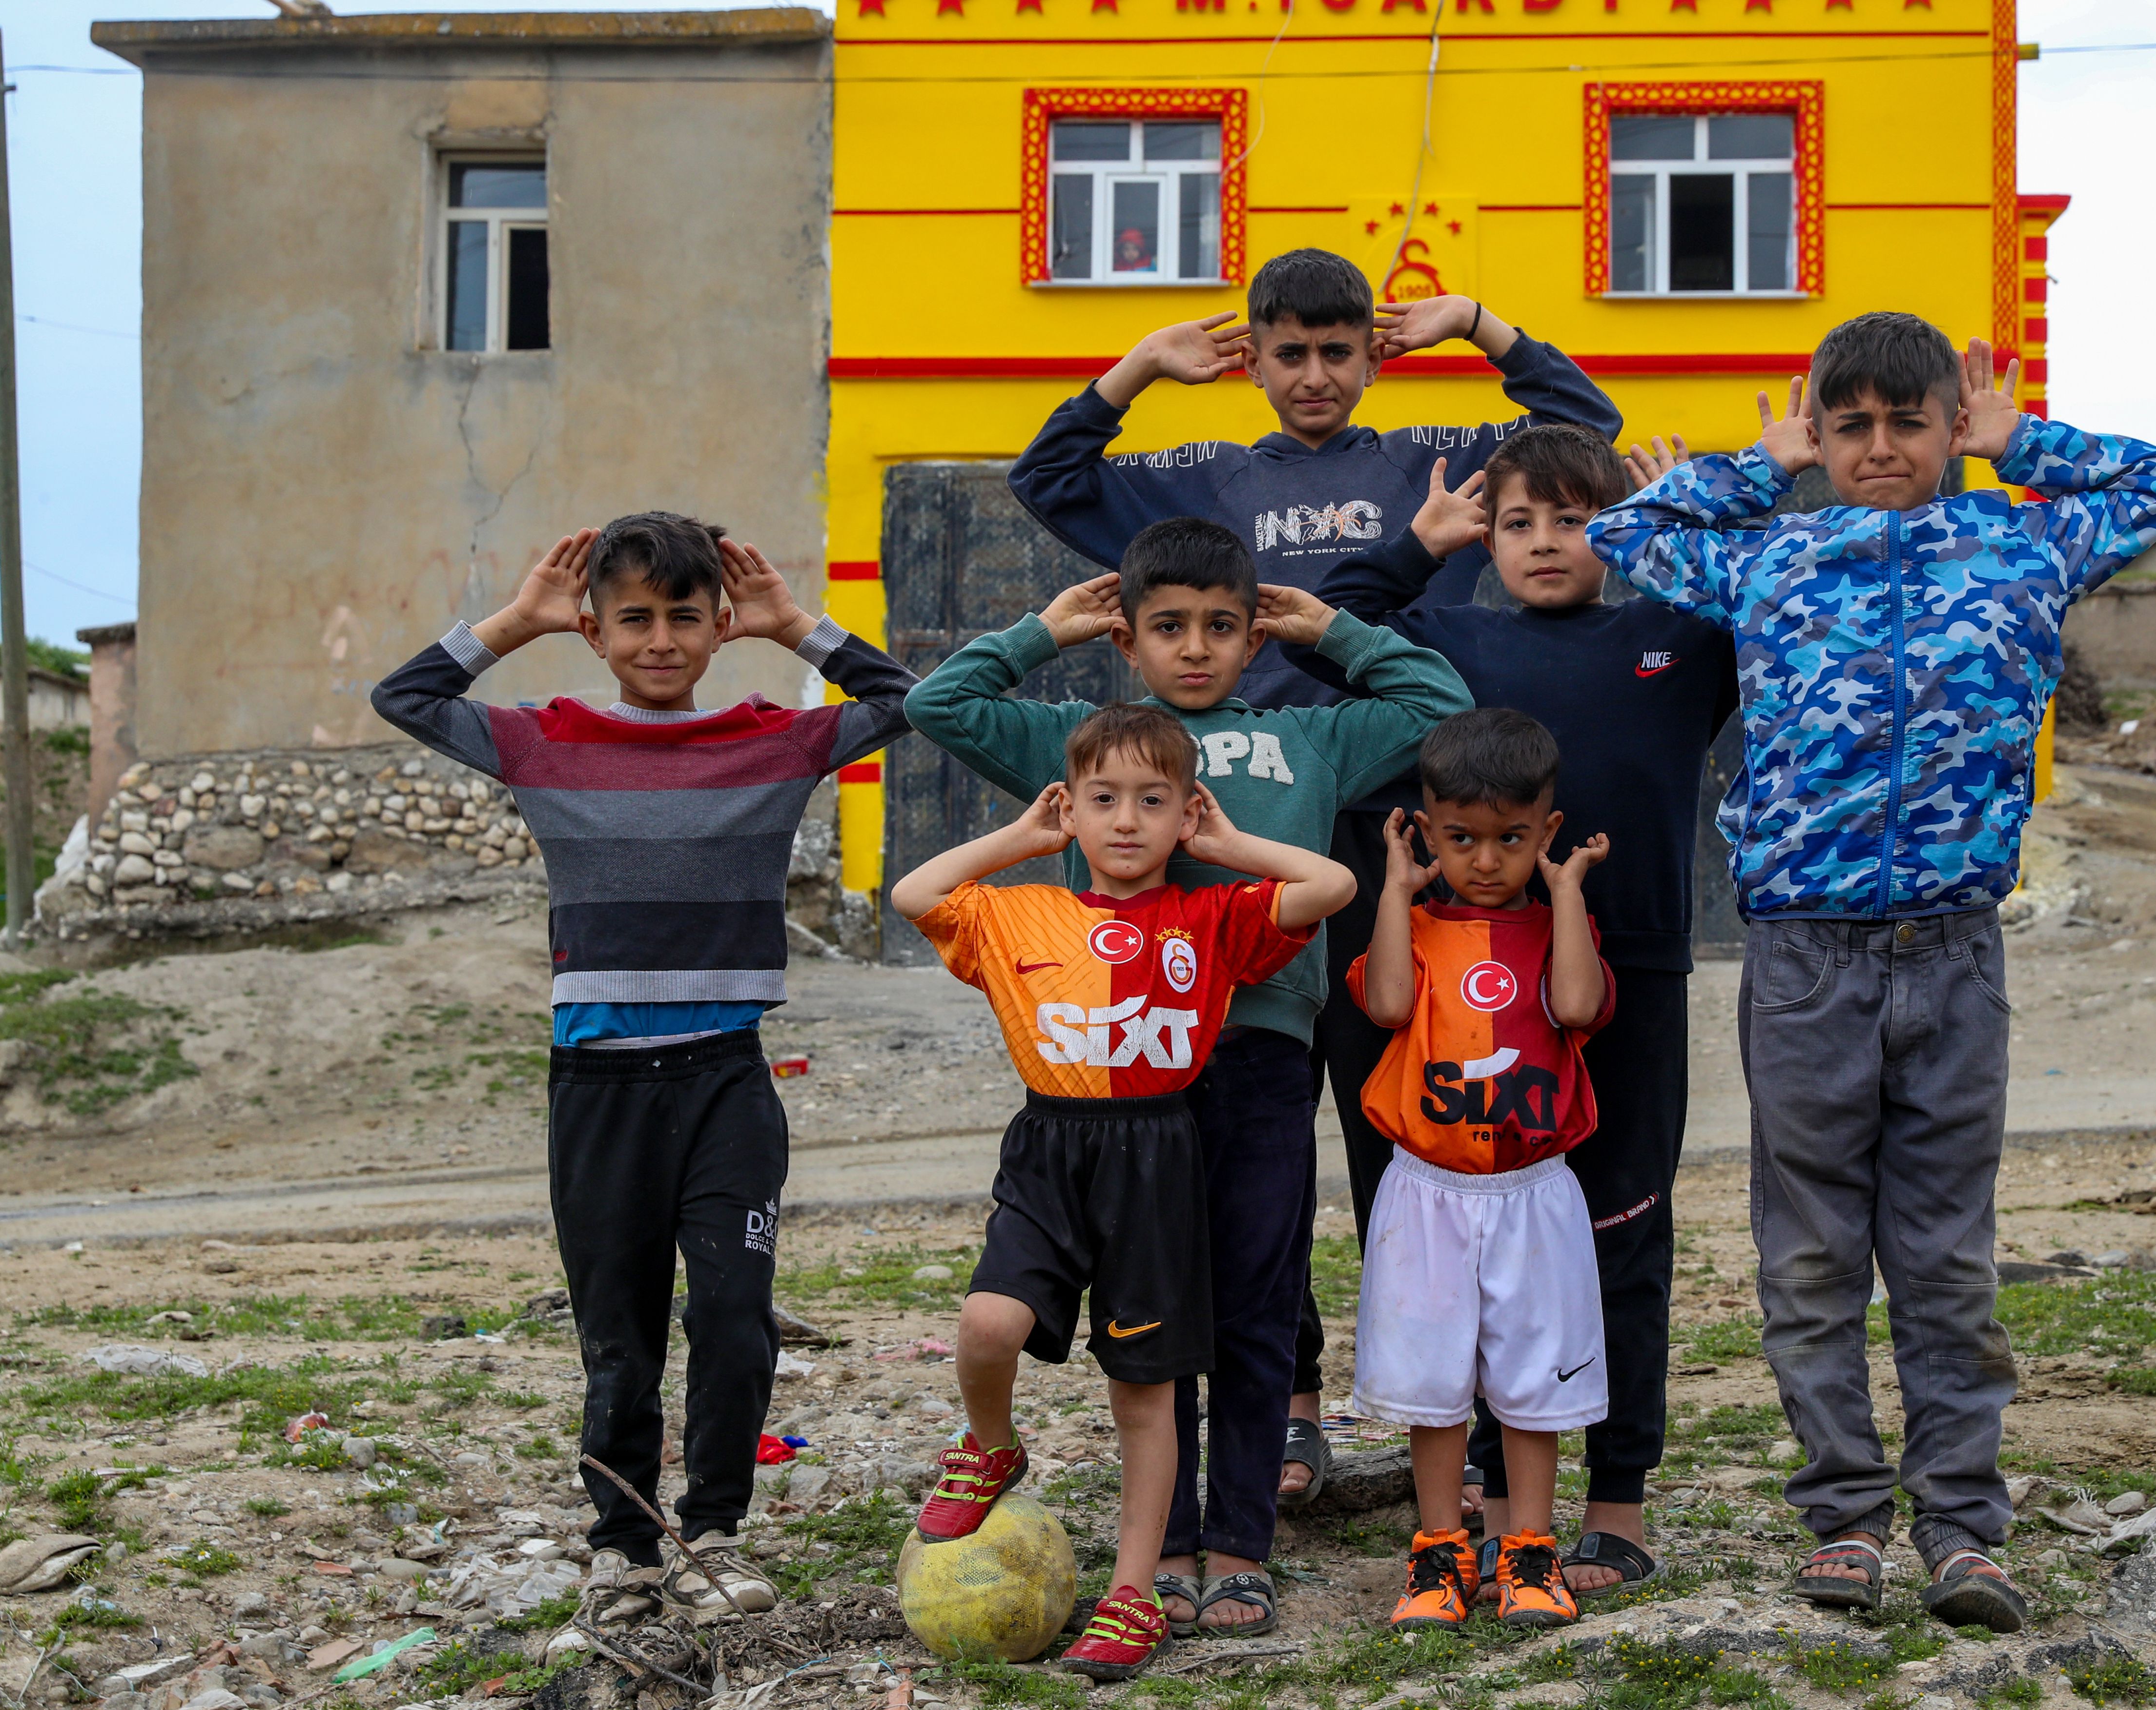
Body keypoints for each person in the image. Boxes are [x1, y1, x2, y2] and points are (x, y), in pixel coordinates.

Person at [1589, 316, 2156, 1631]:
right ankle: (1845, 1517)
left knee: (1941, 1259)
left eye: (1905, 422)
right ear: (1819, 427)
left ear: (1945, 427)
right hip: (1804, 960)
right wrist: (1759, 466)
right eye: (1848, 424)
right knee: (1808, 1257)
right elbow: (1622, 537)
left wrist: (2015, 441)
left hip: (1952, 954)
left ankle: (1963, 1530)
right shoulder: (1768, 558)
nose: (1878, 448)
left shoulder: (2025, 540)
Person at [1007, 245, 1623, 1512]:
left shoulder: (1428, 460)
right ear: (1253, 353)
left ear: (1373, 353)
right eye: (1284, 351)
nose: (1312, 374)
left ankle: (1430, 1398)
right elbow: (1048, 477)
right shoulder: (1207, 475)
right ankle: (1286, 1410)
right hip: (1240, 839)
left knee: (1392, 1119)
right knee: (1261, 1134)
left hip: (1403, 840)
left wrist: (1479, 322)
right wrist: (1137, 369)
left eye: (1338, 350)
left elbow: (1583, 433)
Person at [903, 517, 1467, 1637]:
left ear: (1254, 633)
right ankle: (1154, 1550)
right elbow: (939, 709)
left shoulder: (1309, 740)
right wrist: (1040, 630)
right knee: (1149, 1318)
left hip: (1257, 1054)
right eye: (1167, 628)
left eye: (1222, 626)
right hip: (1120, 1077)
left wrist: (1335, 630)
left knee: (1256, 1304)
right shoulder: (1084, 737)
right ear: (1127, 638)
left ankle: (1237, 1543)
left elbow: (1441, 714)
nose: (1196, 649)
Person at [369, 513, 917, 1627]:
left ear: (720, 624)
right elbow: (405, 699)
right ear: (596, 630)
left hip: (726, 1080)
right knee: (616, 1335)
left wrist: (797, 627)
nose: (660, 639)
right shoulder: (542, 738)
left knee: (730, 1312)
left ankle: (712, 1534)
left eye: (684, 615)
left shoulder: (775, 738)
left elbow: (920, 704)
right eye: (634, 618)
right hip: (599, 1091)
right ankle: (621, 1545)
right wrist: (516, 622)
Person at [1293, 423, 1737, 1595]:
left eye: (1577, 520)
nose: (1546, 544)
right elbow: (1320, 632)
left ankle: (1618, 1499)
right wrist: (1412, 547)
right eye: (1517, 522)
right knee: (1461, 1248)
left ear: (1616, 530)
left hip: (1621, 971)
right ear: (1482, 537)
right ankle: (1491, 1504)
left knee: (1620, 1235)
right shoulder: (1442, 636)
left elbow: (1772, 610)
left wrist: (1689, 524)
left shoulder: (1677, 636)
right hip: (1445, 984)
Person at [888, 705, 1355, 1682]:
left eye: (1154, 802)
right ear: (1073, 808)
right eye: (1102, 800)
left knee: (1142, 1391)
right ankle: (992, 1446)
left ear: (1185, 813)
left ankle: (1134, 1593)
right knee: (985, 1324)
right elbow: (914, 891)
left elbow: (1329, 884)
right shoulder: (1019, 911)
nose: (1128, 821)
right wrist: (1024, 836)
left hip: (1159, 1162)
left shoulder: (1213, 916)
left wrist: (1224, 844)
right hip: (1051, 1154)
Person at [1347, 708, 1615, 1632]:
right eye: (1461, 839)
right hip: (1427, 1188)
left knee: (1534, 1383)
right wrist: (1393, 890)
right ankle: (1439, 1557)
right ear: (1427, 831)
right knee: (1432, 1381)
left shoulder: (1553, 932)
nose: (1487, 861)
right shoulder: (1416, 931)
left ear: (1544, 832)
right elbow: (1384, 1005)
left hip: (1532, 1193)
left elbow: (1578, 1004)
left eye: (1511, 840)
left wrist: (1569, 889)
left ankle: (1532, 1553)